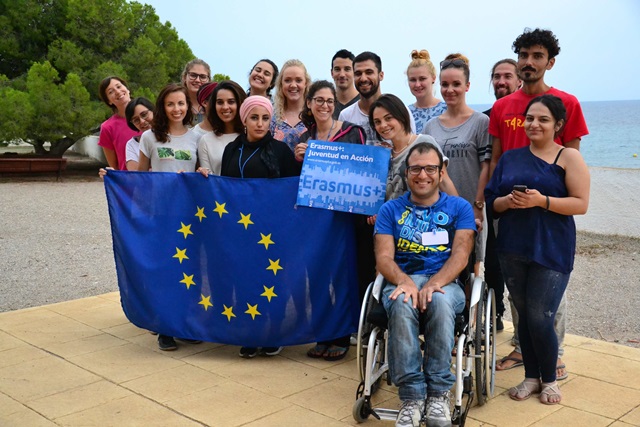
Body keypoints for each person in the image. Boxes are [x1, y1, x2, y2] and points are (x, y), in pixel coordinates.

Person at [489, 29, 589, 378]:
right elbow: (496, 158)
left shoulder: (568, 103)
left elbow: (571, 163)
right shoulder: (501, 107)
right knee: (519, 291)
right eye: (523, 56)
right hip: (510, 209)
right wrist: (489, 201)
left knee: (547, 298)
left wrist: (546, 201)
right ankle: (522, 351)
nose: (528, 62)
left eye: (537, 56)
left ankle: (554, 355)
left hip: (549, 216)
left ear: (550, 62)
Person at [375, 141, 476, 427]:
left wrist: (434, 283)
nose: (423, 175)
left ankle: (438, 393)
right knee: (402, 299)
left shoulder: (459, 208)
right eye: (416, 169)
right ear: (406, 173)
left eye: (430, 168)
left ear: (442, 172)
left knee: (440, 301)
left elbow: (461, 254)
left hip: (446, 282)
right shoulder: (390, 210)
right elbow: (383, 257)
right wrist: (405, 281)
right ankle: (412, 396)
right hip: (401, 278)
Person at [221, 96, 300, 358]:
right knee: (244, 280)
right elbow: (223, 188)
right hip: (241, 230)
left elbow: (292, 191)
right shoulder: (232, 149)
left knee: (272, 280)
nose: (260, 123)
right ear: (244, 119)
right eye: (254, 117)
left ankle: (272, 332)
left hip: (272, 230)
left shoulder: (280, 151)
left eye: (265, 118)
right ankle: (249, 332)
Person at [294, 80, 365, 362]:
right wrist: (298, 159)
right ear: (309, 104)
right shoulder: (303, 138)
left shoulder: (352, 133)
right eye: (319, 100)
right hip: (314, 222)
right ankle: (324, 332)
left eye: (329, 101)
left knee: (343, 275)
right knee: (317, 277)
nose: (325, 105)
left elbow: (361, 172)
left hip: (345, 219)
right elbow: (298, 184)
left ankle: (342, 333)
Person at [136, 84, 201, 350]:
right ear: (162, 107)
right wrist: (112, 176)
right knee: (165, 269)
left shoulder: (197, 138)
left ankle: (184, 323)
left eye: (181, 104)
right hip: (161, 214)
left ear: (188, 106)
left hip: (188, 215)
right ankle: (164, 326)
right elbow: (138, 177)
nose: (177, 109)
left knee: (188, 270)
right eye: (171, 104)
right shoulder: (150, 138)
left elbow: (201, 173)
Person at [423, 54, 490, 274]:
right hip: (438, 210)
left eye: (456, 84)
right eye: (444, 84)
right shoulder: (431, 126)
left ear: (467, 86)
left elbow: (486, 167)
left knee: (472, 268)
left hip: (471, 206)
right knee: (438, 266)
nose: (449, 90)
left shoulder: (480, 122)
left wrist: (478, 206)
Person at [482, 58, 521, 333]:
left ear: (518, 80)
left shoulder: (532, 114)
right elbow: (488, 162)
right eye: (496, 77)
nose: (501, 82)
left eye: (507, 76)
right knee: (493, 262)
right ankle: (495, 314)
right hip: (495, 200)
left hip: (528, 200)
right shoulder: (487, 117)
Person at [368, 93, 457, 203]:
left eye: (388, 118)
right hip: (392, 218)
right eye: (377, 122)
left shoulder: (424, 142)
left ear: (401, 116)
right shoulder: (383, 154)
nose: (383, 125)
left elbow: (444, 182)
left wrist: (462, 214)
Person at [339, 51, 416, 146]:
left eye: (369, 72)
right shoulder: (345, 116)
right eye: (358, 73)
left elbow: (411, 146)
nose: (363, 78)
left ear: (381, 75)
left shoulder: (399, 110)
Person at [197, 80, 247, 176]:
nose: (225, 107)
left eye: (231, 102)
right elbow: (210, 180)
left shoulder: (251, 136)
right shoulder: (206, 140)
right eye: (220, 102)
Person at [97, 97, 155, 178]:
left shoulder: (173, 135)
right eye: (136, 120)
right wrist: (112, 176)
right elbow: (135, 177)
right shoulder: (132, 145)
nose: (142, 121)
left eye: (144, 115)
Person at [97, 76, 140, 171]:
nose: (117, 92)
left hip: (157, 179)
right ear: (108, 101)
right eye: (111, 92)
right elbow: (114, 167)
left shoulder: (150, 117)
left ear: (127, 89)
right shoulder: (107, 128)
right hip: (129, 183)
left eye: (119, 86)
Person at [270, 59, 311, 151]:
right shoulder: (271, 116)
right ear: (281, 84)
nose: (293, 85)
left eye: (298, 80)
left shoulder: (314, 115)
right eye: (287, 80)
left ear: (306, 83)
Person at [407, 50, 447, 134]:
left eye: (422, 79)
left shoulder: (446, 110)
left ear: (433, 78)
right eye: (413, 80)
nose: (417, 84)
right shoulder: (406, 113)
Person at [330, 49, 360, 119]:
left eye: (347, 69)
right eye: (337, 69)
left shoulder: (363, 103)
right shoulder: (326, 105)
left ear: (355, 72)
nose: (342, 75)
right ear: (332, 73)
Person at [181, 59, 211, 124]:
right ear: (184, 77)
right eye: (193, 75)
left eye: (202, 77)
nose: (197, 80)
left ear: (208, 80)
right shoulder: (176, 105)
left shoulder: (213, 106)